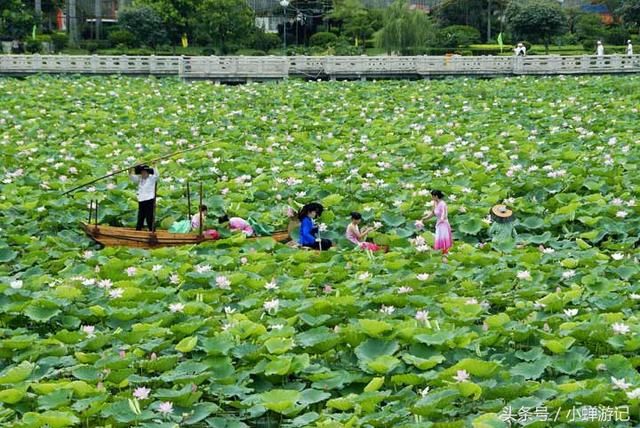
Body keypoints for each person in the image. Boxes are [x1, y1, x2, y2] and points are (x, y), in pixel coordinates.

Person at [421, 190, 453, 261]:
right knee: (438, 237)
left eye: (432, 196)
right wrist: (425, 218)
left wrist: (440, 221)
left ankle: (445, 254)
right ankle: (439, 253)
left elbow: (444, 215)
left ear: (436, 196)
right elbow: (432, 213)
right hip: (438, 223)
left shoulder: (443, 204)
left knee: (443, 238)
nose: (431, 198)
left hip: (443, 223)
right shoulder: (435, 203)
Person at [129, 164, 158, 231]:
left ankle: (152, 231)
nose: (143, 173)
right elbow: (132, 178)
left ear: (148, 172)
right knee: (140, 216)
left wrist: (154, 166)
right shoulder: (140, 179)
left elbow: (157, 175)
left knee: (149, 217)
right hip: (141, 200)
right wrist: (130, 170)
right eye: (142, 172)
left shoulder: (152, 178)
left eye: (145, 172)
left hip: (149, 199)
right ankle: (138, 231)